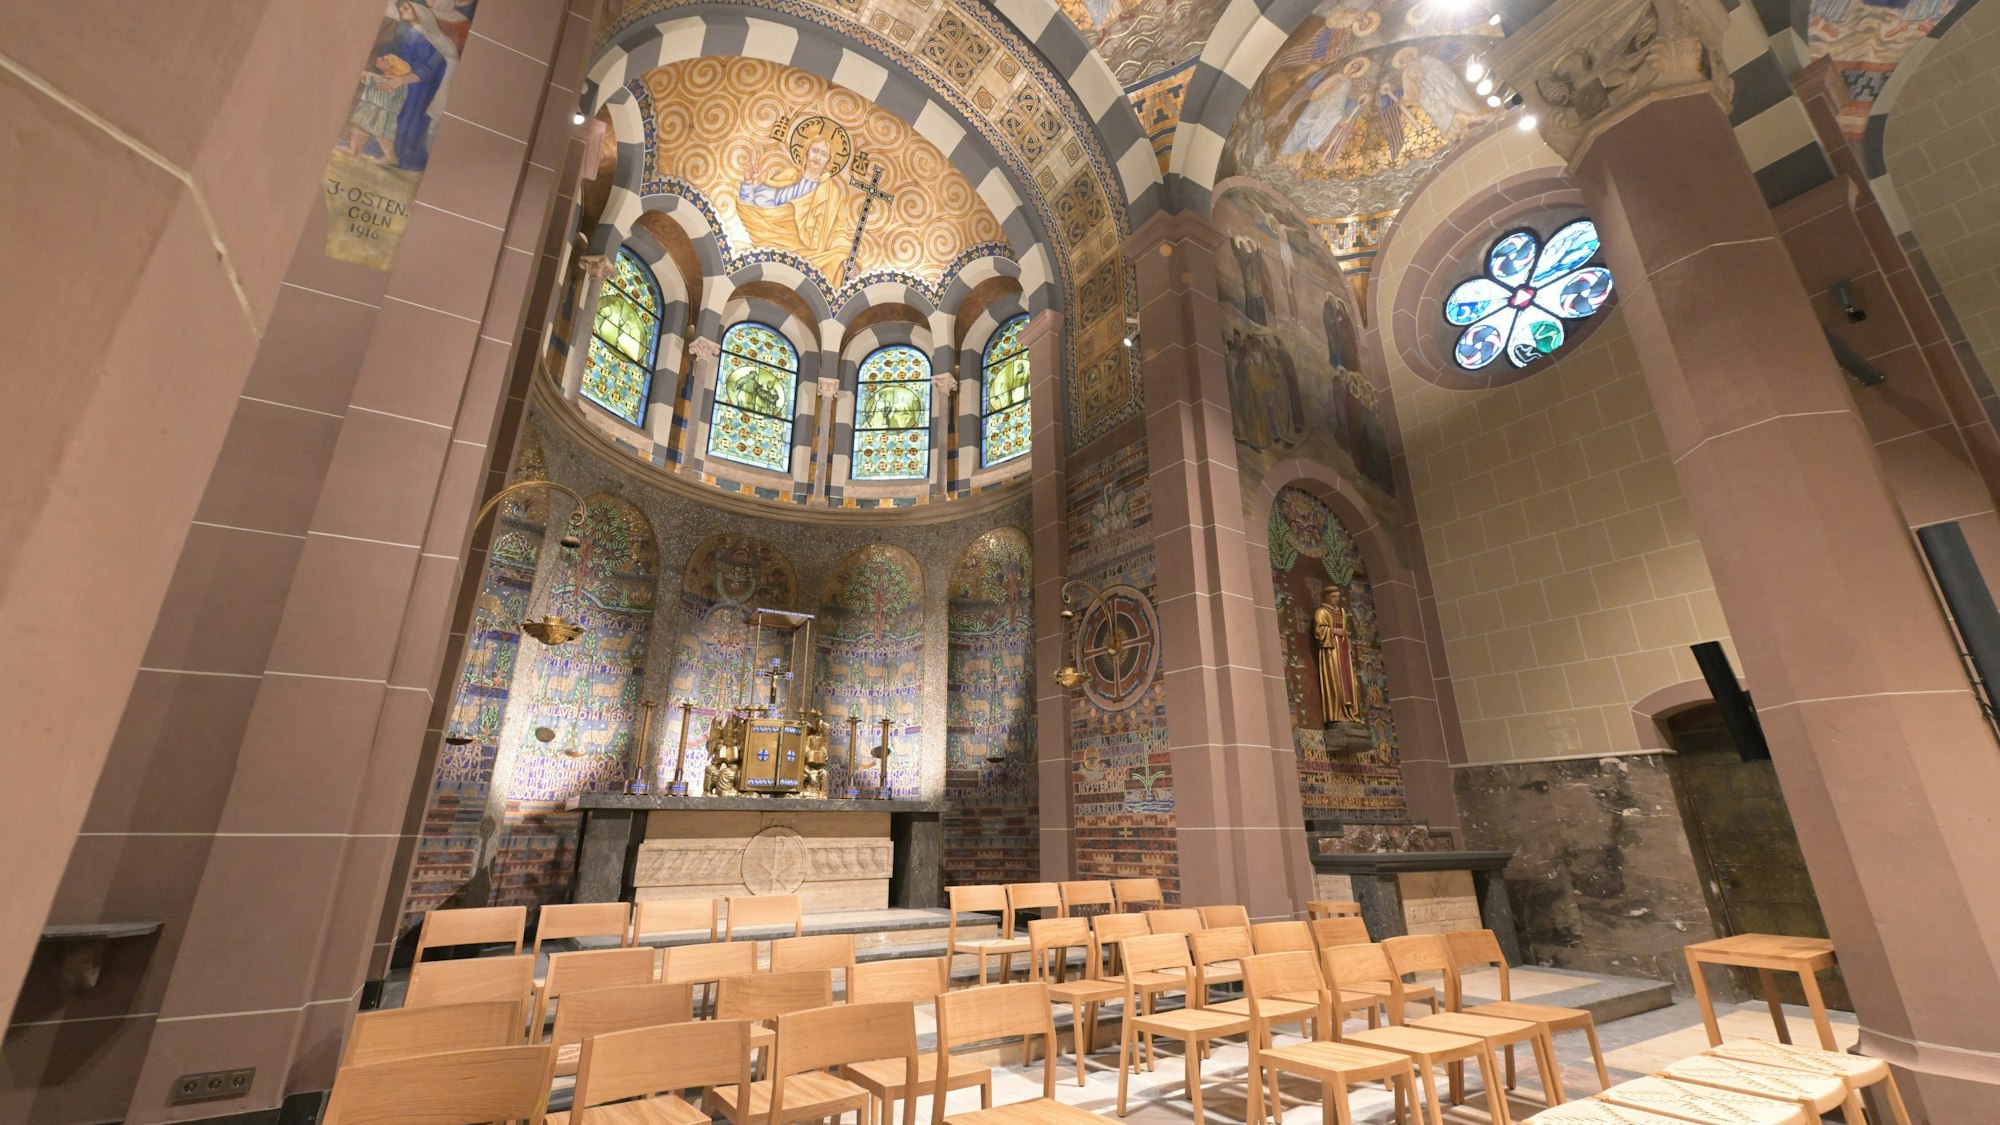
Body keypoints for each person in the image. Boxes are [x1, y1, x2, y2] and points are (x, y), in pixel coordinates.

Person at [737, 137, 852, 277]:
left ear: (828, 162)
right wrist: (748, 183)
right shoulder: (787, 175)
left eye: (824, 154)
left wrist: (847, 258)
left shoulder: (831, 193)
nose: (817, 157)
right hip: (770, 241)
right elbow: (754, 210)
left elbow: (838, 230)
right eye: (815, 151)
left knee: (838, 258)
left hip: (807, 256)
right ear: (806, 153)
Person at [1314, 585, 1361, 725]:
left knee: (1350, 682)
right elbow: (1319, 631)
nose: (1336, 599)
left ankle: (1350, 712)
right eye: (1333, 596)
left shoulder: (1341, 612)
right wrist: (1334, 631)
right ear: (1326, 597)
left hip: (1343, 650)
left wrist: (1348, 645)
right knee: (1336, 681)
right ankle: (1337, 713)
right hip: (1332, 651)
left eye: (1338, 596)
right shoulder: (1321, 612)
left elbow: (1345, 631)